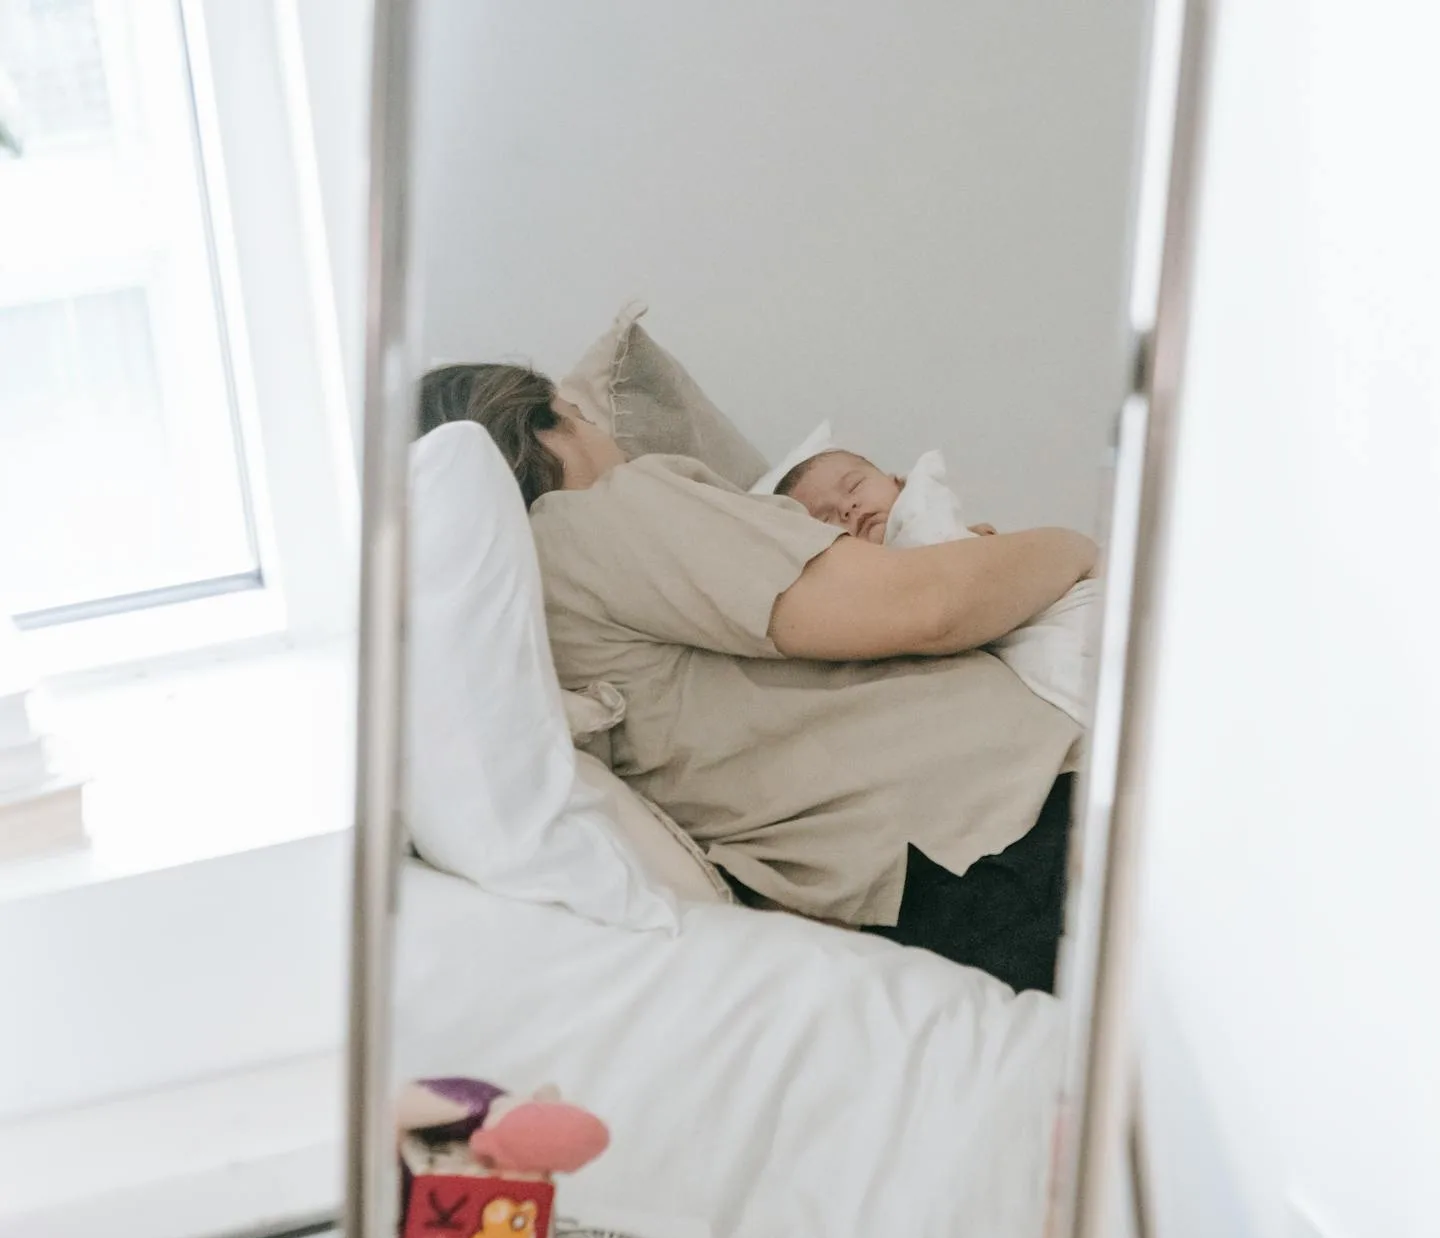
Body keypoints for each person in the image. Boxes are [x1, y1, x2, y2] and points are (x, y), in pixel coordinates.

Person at [417, 364, 1095, 994]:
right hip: (1003, 830)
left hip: (923, 888)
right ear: (546, 426)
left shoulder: (532, 621)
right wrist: (1076, 544)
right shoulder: (592, 520)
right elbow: (926, 607)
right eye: (580, 414)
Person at [780, 447, 1100, 727]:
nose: (847, 509)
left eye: (854, 486)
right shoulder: (855, 598)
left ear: (899, 483)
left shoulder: (924, 512)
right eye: (825, 519)